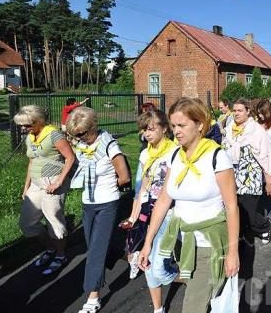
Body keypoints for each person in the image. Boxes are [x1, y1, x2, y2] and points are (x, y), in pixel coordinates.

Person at [138, 97, 239, 313]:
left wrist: (233, 252)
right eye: (173, 126)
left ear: (200, 125)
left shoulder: (217, 157)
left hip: (209, 244)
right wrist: (147, 244)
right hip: (182, 243)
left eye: (182, 125)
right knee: (203, 297)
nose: (176, 131)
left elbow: (231, 207)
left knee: (192, 306)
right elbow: (164, 200)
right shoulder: (175, 155)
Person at [66, 107, 131, 313]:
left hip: (107, 203)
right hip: (88, 203)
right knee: (94, 244)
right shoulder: (80, 145)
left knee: (95, 251)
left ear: (93, 127)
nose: (79, 138)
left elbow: (125, 177)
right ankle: (131, 257)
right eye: (75, 134)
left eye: (82, 133)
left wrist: (109, 189)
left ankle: (93, 297)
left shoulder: (109, 144)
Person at [119, 110, 178, 312]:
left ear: (164, 128)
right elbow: (142, 188)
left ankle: (191, 277)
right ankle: (158, 308)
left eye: (151, 129)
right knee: (148, 263)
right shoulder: (146, 154)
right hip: (148, 211)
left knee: (158, 266)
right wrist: (133, 217)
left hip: (170, 212)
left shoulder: (176, 151)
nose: (147, 133)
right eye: (144, 129)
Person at [14, 105, 75, 275]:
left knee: (54, 221)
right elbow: (32, 161)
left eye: (27, 125)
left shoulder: (53, 134)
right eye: (21, 126)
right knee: (27, 223)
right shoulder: (30, 138)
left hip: (52, 183)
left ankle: (61, 255)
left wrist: (58, 182)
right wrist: (26, 186)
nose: (24, 129)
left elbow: (70, 157)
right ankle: (50, 248)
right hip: (35, 183)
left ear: (39, 121)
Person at [222, 98, 271, 245]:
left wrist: (269, 181)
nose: (236, 113)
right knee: (236, 208)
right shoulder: (229, 129)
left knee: (250, 211)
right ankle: (243, 235)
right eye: (234, 110)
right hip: (232, 176)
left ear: (248, 112)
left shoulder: (256, 130)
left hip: (250, 177)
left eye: (240, 110)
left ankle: (263, 227)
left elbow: (264, 156)